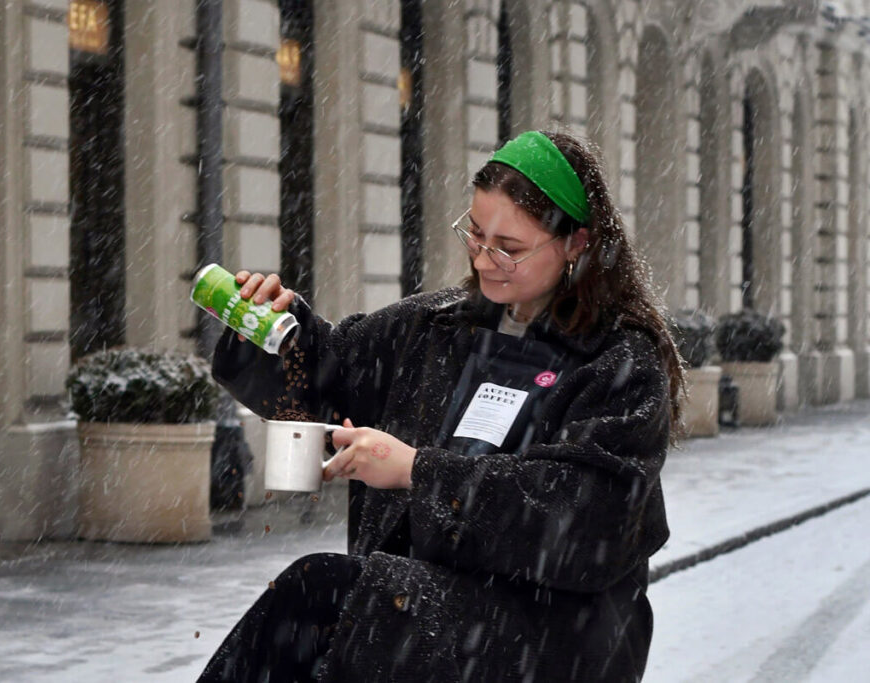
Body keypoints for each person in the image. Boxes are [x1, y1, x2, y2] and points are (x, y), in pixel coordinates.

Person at [198, 130, 683, 682]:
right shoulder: (435, 327)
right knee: (320, 604)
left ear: (576, 244)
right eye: (475, 234)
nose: (485, 259)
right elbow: (327, 377)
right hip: (422, 611)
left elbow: (583, 518)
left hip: (548, 639)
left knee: (320, 593)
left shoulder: (620, 361)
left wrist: (417, 471)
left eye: (510, 247)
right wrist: (274, 330)